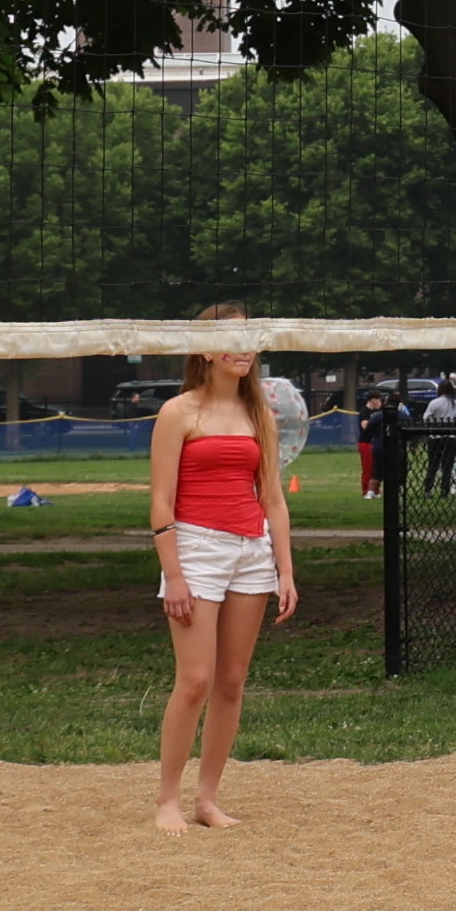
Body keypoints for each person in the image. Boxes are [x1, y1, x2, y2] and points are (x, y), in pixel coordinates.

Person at [144, 310, 303, 830]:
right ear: (207, 350)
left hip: (250, 551)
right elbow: (161, 502)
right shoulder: (178, 412)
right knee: (195, 679)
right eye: (232, 341)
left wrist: (285, 570)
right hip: (196, 548)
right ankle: (168, 799)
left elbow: (273, 499)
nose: (244, 349)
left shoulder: (260, 414)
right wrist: (175, 574)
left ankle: (206, 800)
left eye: (249, 340)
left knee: (231, 682)